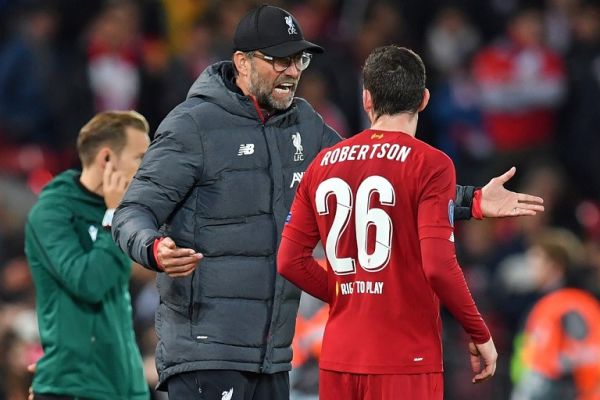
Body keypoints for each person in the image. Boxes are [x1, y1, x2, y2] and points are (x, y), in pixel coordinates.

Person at [112, 5, 543, 399]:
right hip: (207, 348)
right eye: (279, 60)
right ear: (242, 63)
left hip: (274, 354)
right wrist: (153, 247)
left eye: (298, 60)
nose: (292, 71)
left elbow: (377, 172)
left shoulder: (304, 122)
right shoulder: (193, 125)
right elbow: (132, 212)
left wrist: (473, 201)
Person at [277, 45, 498, 400]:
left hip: (339, 356)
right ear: (423, 99)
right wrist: (480, 333)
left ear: (367, 99)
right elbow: (439, 266)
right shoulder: (432, 163)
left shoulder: (322, 164)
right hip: (404, 355)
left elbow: (289, 260)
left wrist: (345, 292)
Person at [24, 111, 151, 400]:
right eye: (140, 158)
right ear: (107, 159)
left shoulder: (122, 208)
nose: (148, 168)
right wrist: (112, 217)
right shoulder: (52, 213)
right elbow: (88, 282)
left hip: (125, 385)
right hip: (75, 387)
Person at [511, 229, 600, 400]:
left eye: (536, 258)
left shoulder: (549, 307)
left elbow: (540, 373)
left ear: (555, 266)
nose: (530, 267)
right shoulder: (590, 304)